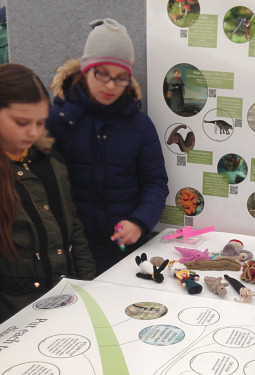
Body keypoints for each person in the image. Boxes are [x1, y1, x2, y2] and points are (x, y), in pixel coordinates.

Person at [46, 19, 169, 274]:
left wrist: (139, 221)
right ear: (84, 70)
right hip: (71, 251)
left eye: (121, 77)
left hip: (124, 252)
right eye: (101, 73)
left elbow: (155, 182)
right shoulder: (57, 119)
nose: (111, 85)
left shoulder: (140, 124)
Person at [0, 63, 96, 323]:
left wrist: (88, 288)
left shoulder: (50, 160)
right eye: (21, 122)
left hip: (65, 305)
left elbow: (73, 225)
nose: (32, 132)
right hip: (14, 319)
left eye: (40, 122)